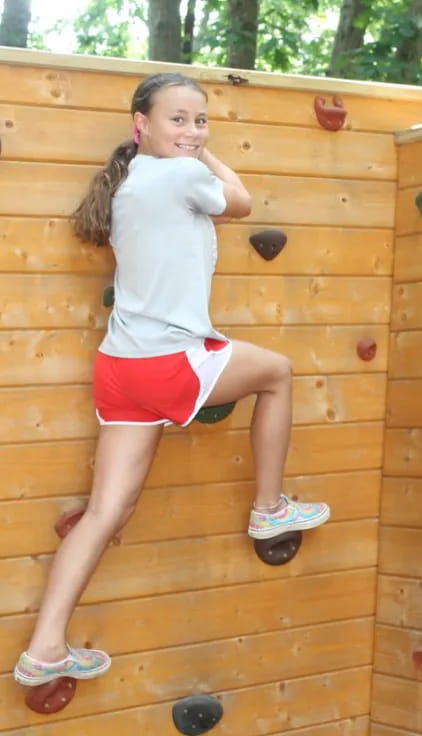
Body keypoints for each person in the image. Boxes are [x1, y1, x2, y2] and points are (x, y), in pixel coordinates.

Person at [13, 73, 330, 688]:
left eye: (200, 121)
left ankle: (44, 647)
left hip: (120, 371)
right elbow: (240, 201)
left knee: (107, 510)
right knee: (279, 373)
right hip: (168, 362)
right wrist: (203, 154)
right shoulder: (184, 176)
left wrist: (185, 145)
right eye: (178, 120)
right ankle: (268, 508)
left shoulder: (129, 180)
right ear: (142, 125)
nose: (191, 130)